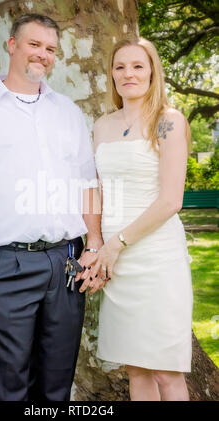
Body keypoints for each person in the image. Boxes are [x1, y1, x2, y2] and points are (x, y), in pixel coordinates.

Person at [0, 13, 102, 401]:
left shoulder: (69, 113)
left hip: (65, 264)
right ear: (11, 45)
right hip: (3, 266)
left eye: (50, 49)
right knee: (3, 388)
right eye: (34, 44)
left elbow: (88, 183)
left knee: (55, 386)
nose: (43, 55)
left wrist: (93, 243)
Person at [79, 37, 193, 401]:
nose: (128, 73)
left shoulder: (168, 122)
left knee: (166, 371)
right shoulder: (101, 125)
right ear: (111, 75)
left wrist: (117, 244)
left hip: (157, 258)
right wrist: (96, 245)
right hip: (115, 262)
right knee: (137, 368)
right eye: (120, 67)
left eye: (138, 66)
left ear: (152, 72)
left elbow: (171, 200)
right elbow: (95, 188)